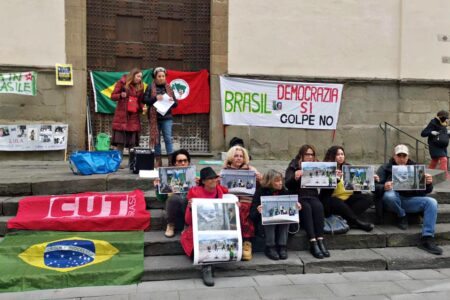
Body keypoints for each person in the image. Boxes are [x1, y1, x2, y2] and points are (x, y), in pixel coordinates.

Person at [376, 144, 442, 255]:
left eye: (404, 156)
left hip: (409, 200)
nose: (401, 159)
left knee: (432, 202)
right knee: (389, 196)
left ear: (408, 157)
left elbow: (425, 191)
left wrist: (429, 183)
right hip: (391, 202)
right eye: (399, 156)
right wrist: (383, 186)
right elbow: (374, 187)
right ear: (394, 156)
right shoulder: (384, 168)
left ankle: (427, 238)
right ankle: (402, 215)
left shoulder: (416, 168)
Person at [180, 167, 228, 287]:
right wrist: (190, 208)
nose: (213, 180)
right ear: (203, 182)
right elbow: (187, 220)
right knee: (200, 245)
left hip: (215, 226)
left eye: (214, 178)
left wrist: (234, 204)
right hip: (198, 228)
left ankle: (209, 264)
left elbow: (228, 193)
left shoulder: (219, 190)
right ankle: (207, 268)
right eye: (209, 179)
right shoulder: (195, 192)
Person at [285, 145, 330, 259]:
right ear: (301, 155)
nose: (310, 157)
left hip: (313, 196)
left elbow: (325, 185)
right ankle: (312, 241)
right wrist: (295, 177)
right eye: (307, 154)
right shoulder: (294, 165)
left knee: (318, 207)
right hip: (299, 196)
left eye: (312, 154)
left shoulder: (317, 166)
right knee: (306, 208)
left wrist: (333, 178)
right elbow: (287, 184)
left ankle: (320, 239)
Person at [320, 146, 375, 232]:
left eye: (342, 154)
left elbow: (357, 188)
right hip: (331, 202)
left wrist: (369, 180)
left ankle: (347, 219)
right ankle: (356, 222)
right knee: (336, 201)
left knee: (368, 198)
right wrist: (336, 179)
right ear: (332, 156)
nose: (341, 156)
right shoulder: (325, 169)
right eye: (338, 154)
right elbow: (325, 193)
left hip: (347, 201)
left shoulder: (348, 168)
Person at [250, 169, 301, 260]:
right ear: (269, 182)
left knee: (285, 219)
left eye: (281, 180)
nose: (281, 183)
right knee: (270, 218)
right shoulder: (260, 192)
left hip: (282, 226)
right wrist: (258, 211)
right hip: (265, 227)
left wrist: (297, 207)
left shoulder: (284, 192)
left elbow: (291, 210)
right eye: (277, 181)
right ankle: (270, 247)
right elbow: (252, 215)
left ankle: (282, 246)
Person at [222, 145, 262, 261]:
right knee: (231, 208)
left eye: (241, 156)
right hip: (231, 198)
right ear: (231, 157)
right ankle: (230, 240)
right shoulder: (224, 171)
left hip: (247, 199)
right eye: (236, 156)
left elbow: (261, 184)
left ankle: (247, 241)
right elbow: (220, 188)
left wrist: (260, 178)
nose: (239, 158)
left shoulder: (251, 170)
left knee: (245, 210)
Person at [143, 67, 178, 167]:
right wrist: (155, 98)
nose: (161, 78)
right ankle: (158, 161)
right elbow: (144, 100)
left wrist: (172, 101)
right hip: (154, 118)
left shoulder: (169, 88)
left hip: (167, 117)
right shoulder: (150, 87)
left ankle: (171, 161)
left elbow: (176, 104)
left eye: (163, 76)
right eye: (159, 76)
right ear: (155, 77)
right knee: (156, 139)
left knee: (168, 138)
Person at [154, 149, 192, 238]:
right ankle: (170, 225)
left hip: (188, 208)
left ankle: (187, 225)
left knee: (187, 199)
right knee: (174, 198)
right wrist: (158, 187)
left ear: (188, 162)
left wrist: (201, 184)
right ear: (175, 163)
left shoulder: (195, 176)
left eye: (185, 161)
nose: (183, 163)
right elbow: (161, 199)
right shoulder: (167, 176)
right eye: (180, 161)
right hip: (172, 207)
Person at [110, 68, 145, 156]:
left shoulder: (141, 86)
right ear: (133, 75)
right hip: (122, 116)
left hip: (133, 116)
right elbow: (113, 96)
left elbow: (140, 101)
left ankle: (132, 163)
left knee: (132, 144)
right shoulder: (122, 83)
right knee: (120, 142)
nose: (139, 78)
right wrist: (120, 95)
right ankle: (117, 162)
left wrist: (142, 108)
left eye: (141, 77)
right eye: (138, 76)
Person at [421, 110, 450, 178]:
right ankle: (445, 176)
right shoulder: (433, 122)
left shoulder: (444, 123)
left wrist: (448, 133)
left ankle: (427, 175)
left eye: (446, 118)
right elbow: (423, 133)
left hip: (442, 146)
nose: (446, 119)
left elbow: (443, 134)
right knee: (444, 159)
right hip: (434, 145)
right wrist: (431, 132)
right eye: (444, 117)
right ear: (439, 117)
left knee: (435, 160)